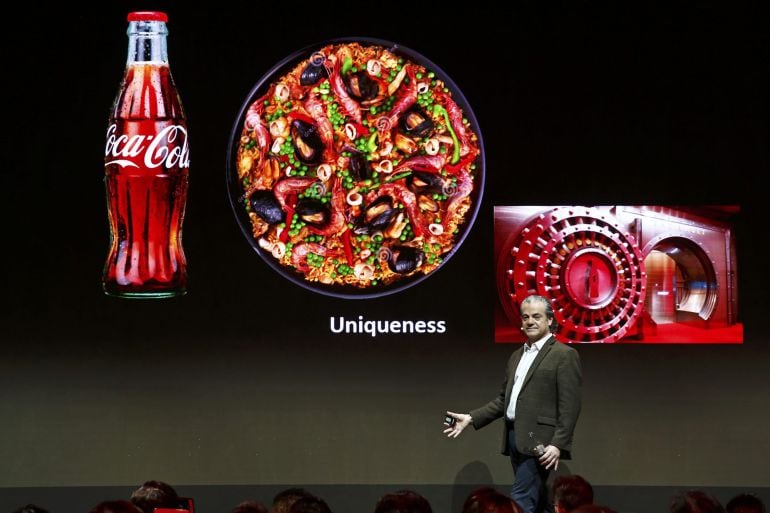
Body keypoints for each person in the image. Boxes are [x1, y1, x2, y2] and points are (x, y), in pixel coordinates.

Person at [445, 294, 582, 513]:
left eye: (536, 316)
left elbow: (570, 405)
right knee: (536, 500)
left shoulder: (564, 355)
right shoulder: (517, 356)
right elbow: (504, 400)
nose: (530, 321)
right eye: (525, 317)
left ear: (549, 320)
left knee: (521, 500)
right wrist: (471, 418)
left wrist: (558, 444)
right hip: (514, 436)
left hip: (538, 440)